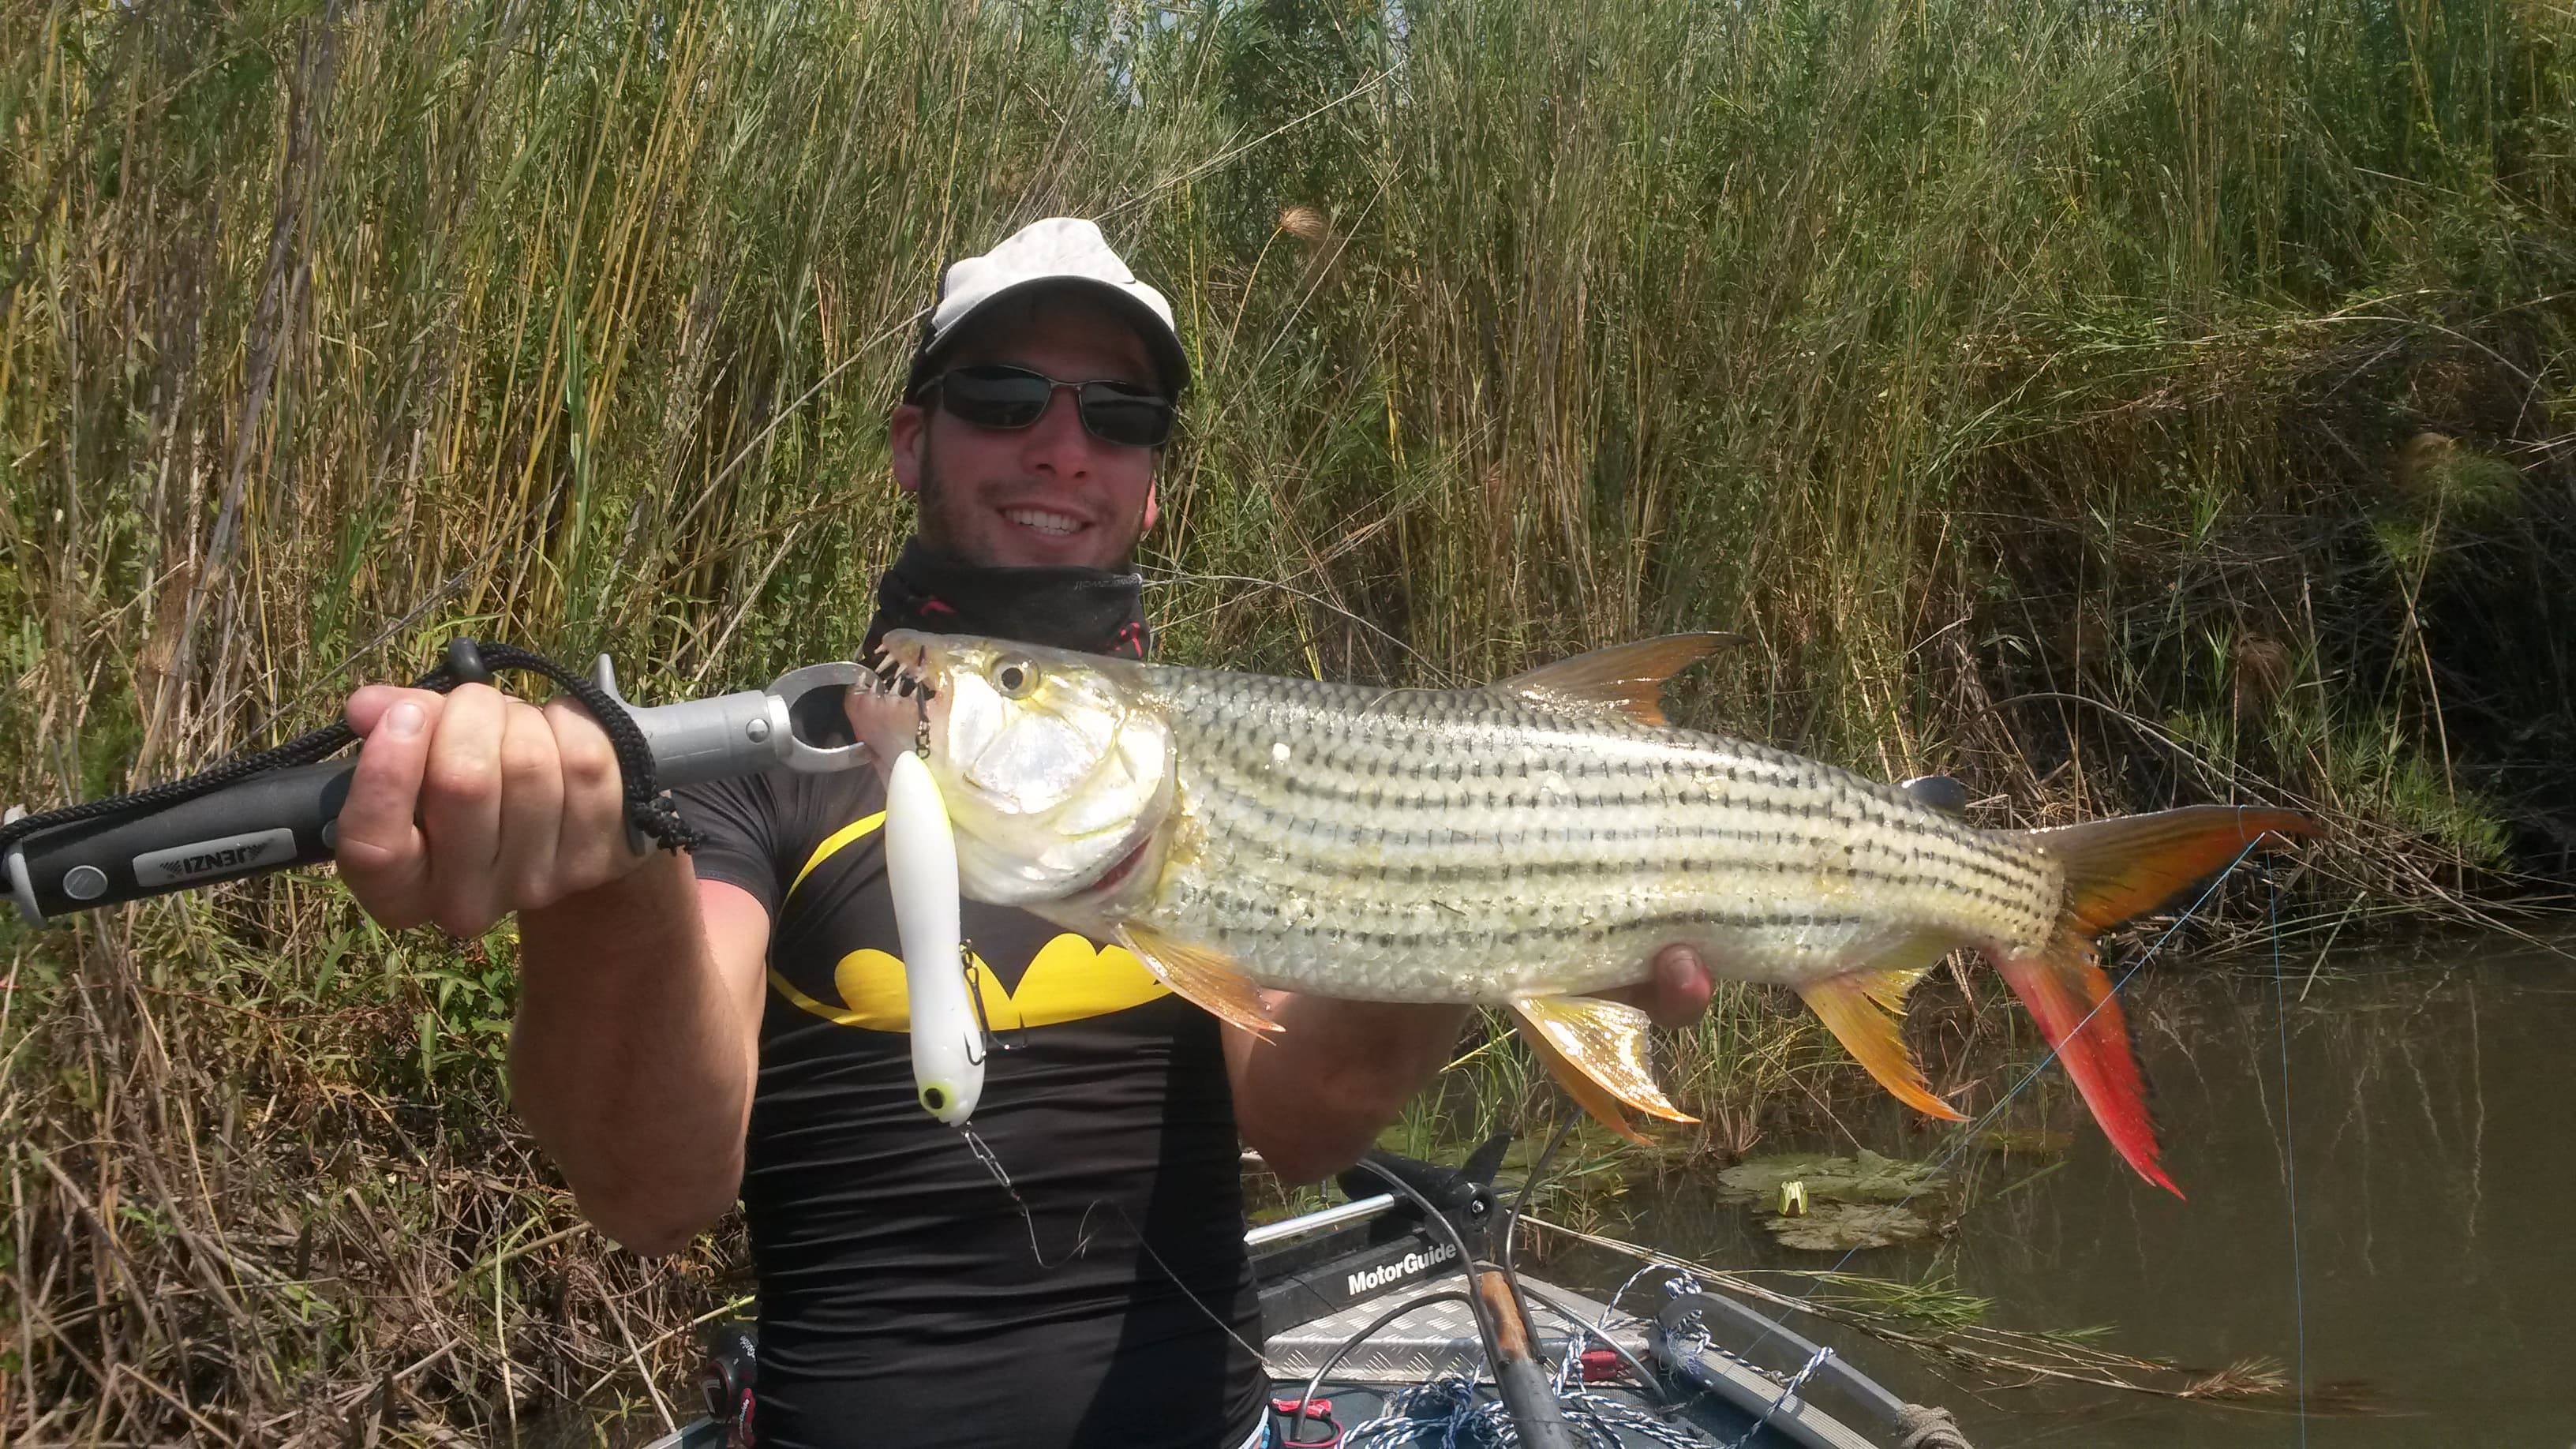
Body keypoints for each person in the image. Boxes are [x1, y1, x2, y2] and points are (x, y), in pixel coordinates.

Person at [333, 218, 1715, 1449]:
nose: (1065, 447)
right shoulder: (765, 770)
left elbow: (1303, 1129)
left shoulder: (1215, 771)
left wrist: (1477, 907)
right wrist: (607, 887)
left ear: (1155, 484)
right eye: (1003, 397)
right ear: (908, 440)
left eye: (1122, 417)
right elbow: (650, 1196)